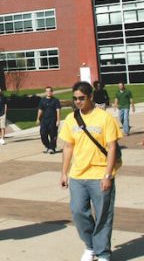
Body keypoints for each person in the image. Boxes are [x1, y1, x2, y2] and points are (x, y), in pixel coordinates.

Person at [59, 81, 122, 261]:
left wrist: (108, 175)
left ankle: (102, 252)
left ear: (91, 97)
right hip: (78, 175)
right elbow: (68, 146)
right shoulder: (71, 119)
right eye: (75, 98)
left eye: (81, 98)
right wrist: (64, 172)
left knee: (103, 215)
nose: (78, 102)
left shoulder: (104, 118)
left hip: (100, 174)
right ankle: (90, 246)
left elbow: (111, 147)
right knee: (78, 212)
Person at [36, 86, 61, 154]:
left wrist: (58, 120)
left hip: (53, 120)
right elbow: (40, 110)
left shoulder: (55, 100)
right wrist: (38, 119)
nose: (48, 92)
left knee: (53, 134)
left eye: (50, 91)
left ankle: (52, 148)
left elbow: (58, 110)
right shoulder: (42, 100)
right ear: (45, 92)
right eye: (47, 91)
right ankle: (47, 146)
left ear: (52, 92)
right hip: (44, 120)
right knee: (43, 134)